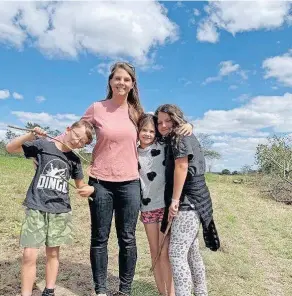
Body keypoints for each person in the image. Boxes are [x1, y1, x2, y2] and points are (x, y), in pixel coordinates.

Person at [57, 62, 192, 296]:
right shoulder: (97, 108)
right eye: (117, 78)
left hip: (130, 183)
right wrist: (51, 144)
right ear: (110, 81)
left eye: (127, 79)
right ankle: (100, 289)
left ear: (132, 84)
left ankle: (125, 290)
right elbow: (77, 133)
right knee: (99, 237)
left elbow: (161, 130)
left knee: (127, 238)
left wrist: (187, 125)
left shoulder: (136, 112)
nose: (122, 83)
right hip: (100, 182)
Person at [6, 120, 95, 296]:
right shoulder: (42, 145)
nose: (77, 142)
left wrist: (90, 188)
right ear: (68, 129)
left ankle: (49, 290)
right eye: (76, 136)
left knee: (53, 254)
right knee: (29, 255)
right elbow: (10, 148)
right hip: (36, 206)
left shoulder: (75, 160)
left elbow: (80, 185)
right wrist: (31, 135)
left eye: (82, 142)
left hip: (60, 210)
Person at [155, 104, 220, 296]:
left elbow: (181, 167)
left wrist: (175, 201)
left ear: (177, 119)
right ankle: (201, 293)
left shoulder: (179, 137)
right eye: (160, 122)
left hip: (188, 200)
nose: (164, 125)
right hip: (197, 198)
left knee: (176, 254)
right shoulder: (181, 134)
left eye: (168, 120)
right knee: (192, 252)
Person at [137, 113, 175, 296]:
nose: (148, 134)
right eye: (144, 130)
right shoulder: (132, 152)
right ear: (137, 131)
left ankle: (171, 293)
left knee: (166, 253)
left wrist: (189, 126)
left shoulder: (164, 146)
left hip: (165, 206)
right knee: (155, 252)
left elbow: (179, 134)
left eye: (151, 131)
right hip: (147, 208)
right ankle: (161, 292)